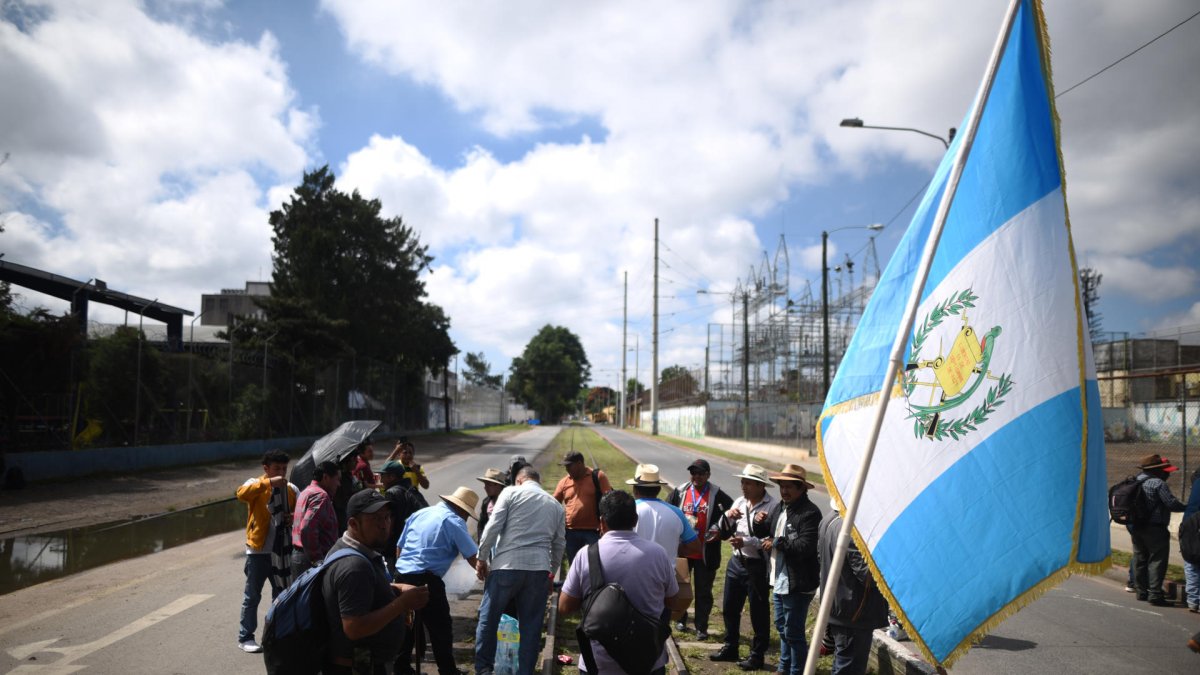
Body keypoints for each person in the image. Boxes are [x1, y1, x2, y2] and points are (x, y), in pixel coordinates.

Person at [558, 490, 679, 674]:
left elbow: (565, 606)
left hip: (598, 663)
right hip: (647, 660)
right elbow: (673, 602)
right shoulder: (658, 554)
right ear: (635, 520)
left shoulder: (586, 554)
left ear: (602, 521)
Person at [321, 489, 431, 674]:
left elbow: (360, 591)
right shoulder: (354, 566)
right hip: (359, 667)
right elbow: (354, 627)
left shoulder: (346, 548)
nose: (384, 525)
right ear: (354, 524)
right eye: (376, 519)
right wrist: (402, 604)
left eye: (387, 517)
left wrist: (395, 589)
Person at [475, 467, 566, 675]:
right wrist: (551, 573)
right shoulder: (554, 504)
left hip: (506, 566)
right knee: (531, 628)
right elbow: (559, 544)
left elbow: (493, 526)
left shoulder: (510, 492)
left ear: (519, 480)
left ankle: (484, 670)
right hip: (538, 570)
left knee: (489, 620)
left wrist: (481, 557)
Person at [393, 486, 481, 675]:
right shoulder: (454, 520)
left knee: (406, 625)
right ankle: (447, 670)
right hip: (426, 580)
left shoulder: (420, 514)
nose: (466, 519)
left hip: (402, 575)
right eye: (467, 514)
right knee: (440, 627)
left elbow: (400, 547)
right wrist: (488, 577)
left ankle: (401, 668)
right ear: (462, 509)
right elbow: (473, 557)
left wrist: (402, 574)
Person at [709, 464, 774, 670]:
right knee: (729, 607)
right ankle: (731, 646)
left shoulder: (772, 507)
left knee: (758, 612)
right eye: (742, 482)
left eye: (748, 483)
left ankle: (757, 655)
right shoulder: (739, 502)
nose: (743, 487)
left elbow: (770, 540)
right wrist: (728, 515)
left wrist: (745, 541)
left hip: (757, 565)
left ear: (760, 486)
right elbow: (722, 529)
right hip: (736, 562)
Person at [761, 464, 822, 675]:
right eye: (782, 486)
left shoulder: (810, 513)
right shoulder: (781, 507)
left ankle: (798, 671)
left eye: (789, 487)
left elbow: (805, 546)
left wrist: (777, 542)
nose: (784, 491)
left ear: (801, 488)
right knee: (781, 626)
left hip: (798, 582)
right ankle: (783, 667)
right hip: (779, 578)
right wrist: (760, 522)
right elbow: (768, 530)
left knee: (793, 632)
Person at [235, 449, 297, 654]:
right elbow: (241, 494)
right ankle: (245, 637)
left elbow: (300, 511)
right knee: (252, 596)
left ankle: (275, 635)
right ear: (266, 468)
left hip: (281, 551)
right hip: (258, 552)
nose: (281, 472)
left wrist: (293, 517)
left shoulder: (291, 489)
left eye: (284, 469)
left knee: (281, 596)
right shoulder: (255, 484)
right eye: (276, 468)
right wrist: (269, 483)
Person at [667, 458, 734, 640]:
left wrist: (721, 532)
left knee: (704, 592)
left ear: (708, 475)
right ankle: (681, 619)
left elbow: (731, 516)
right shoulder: (680, 492)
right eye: (693, 473)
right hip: (683, 551)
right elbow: (668, 512)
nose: (696, 476)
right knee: (681, 586)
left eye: (700, 473)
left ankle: (701, 627)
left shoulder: (717, 495)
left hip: (706, 553)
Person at [819, 502, 888, 675]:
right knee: (849, 667)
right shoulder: (851, 530)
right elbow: (867, 577)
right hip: (853, 612)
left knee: (842, 662)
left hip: (839, 606)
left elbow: (820, 557)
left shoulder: (828, 520)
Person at [1131, 453, 1186, 605]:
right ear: (1157, 469)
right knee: (1157, 560)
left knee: (1140, 559)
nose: (1166, 473)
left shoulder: (1135, 480)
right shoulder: (1158, 483)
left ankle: (1141, 591)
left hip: (1136, 526)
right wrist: (1188, 507)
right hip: (1155, 528)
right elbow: (1171, 504)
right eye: (1163, 469)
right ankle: (1155, 594)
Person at [628, 463, 701, 558]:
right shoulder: (676, 513)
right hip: (667, 567)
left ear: (635, 490)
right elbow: (695, 547)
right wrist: (674, 550)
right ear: (658, 489)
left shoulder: (627, 510)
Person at [553, 451, 612, 562]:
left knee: (595, 563)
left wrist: (606, 527)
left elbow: (609, 502)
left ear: (580, 463)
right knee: (574, 563)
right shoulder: (564, 482)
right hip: (571, 532)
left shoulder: (598, 477)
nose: (567, 469)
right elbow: (553, 504)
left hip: (594, 531)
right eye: (565, 466)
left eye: (569, 466)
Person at [290, 460, 341, 577]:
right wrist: (317, 560)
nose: (339, 484)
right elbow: (307, 528)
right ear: (325, 477)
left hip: (300, 555)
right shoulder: (320, 495)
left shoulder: (306, 491)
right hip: (310, 561)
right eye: (337, 479)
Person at [380, 460, 429, 573]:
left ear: (392, 477)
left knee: (394, 575)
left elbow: (390, 524)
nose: (381, 480)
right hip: (418, 541)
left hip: (399, 545)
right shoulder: (411, 488)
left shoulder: (391, 493)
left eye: (383, 476)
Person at [1183, 467, 1200, 613]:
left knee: (1191, 562)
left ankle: (1193, 601)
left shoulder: (1196, 483)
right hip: (1194, 525)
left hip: (1189, 526)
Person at [476, 467, 508, 540]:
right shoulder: (486, 502)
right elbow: (481, 525)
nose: (485, 488)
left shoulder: (508, 502)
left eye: (489, 485)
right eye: (485, 484)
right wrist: (481, 540)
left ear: (498, 485)